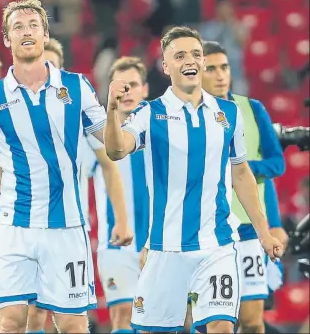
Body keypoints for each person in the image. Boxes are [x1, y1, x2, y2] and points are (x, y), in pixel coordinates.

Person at [0, 0, 133, 334]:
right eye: (18, 27)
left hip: (66, 227)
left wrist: (114, 110)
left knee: (72, 323)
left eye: (33, 26)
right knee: (11, 321)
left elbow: (114, 150)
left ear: (44, 34)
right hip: (13, 228)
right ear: (7, 39)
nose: (26, 32)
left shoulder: (77, 87)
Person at [104, 26, 284, 333]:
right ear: (166, 66)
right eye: (180, 55)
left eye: (196, 54)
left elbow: (241, 174)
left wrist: (264, 233)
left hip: (217, 246)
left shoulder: (229, 113)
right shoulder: (150, 113)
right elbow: (117, 149)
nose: (190, 60)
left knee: (221, 327)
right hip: (165, 248)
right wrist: (111, 108)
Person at [201, 40, 287, 333]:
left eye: (223, 67)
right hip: (206, 230)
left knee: (252, 320)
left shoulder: (252, 109)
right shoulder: (186, 115)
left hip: (249, 228)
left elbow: (277, 164)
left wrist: (242, 168)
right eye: (210, 69)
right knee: (207, 322)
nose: (220, 75)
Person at [93, 56, 150, 333]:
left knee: (158, 320)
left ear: (146, 89)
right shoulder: (94, 134)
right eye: (121, 87)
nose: (127, 93)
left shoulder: (160, 128)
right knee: (122, 315)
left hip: (159, 241)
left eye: (134, 85)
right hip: (115, 242)